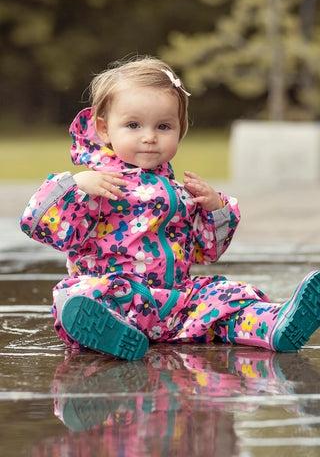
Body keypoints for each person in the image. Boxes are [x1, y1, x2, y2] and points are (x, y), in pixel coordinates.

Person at [20, 56, 320, 361]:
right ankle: (112, 334)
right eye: (133, 125)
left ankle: (274, 325)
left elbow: (207, 251)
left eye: (163, 126)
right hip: (118, 297)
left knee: (227, 298)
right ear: (104, 129)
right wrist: (75, 187)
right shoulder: (99, 183)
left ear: (181, 129)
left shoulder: (180, 194)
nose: (149, 137)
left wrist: (214, 209)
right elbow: (39, 224)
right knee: (79, 297)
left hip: (177, 303)